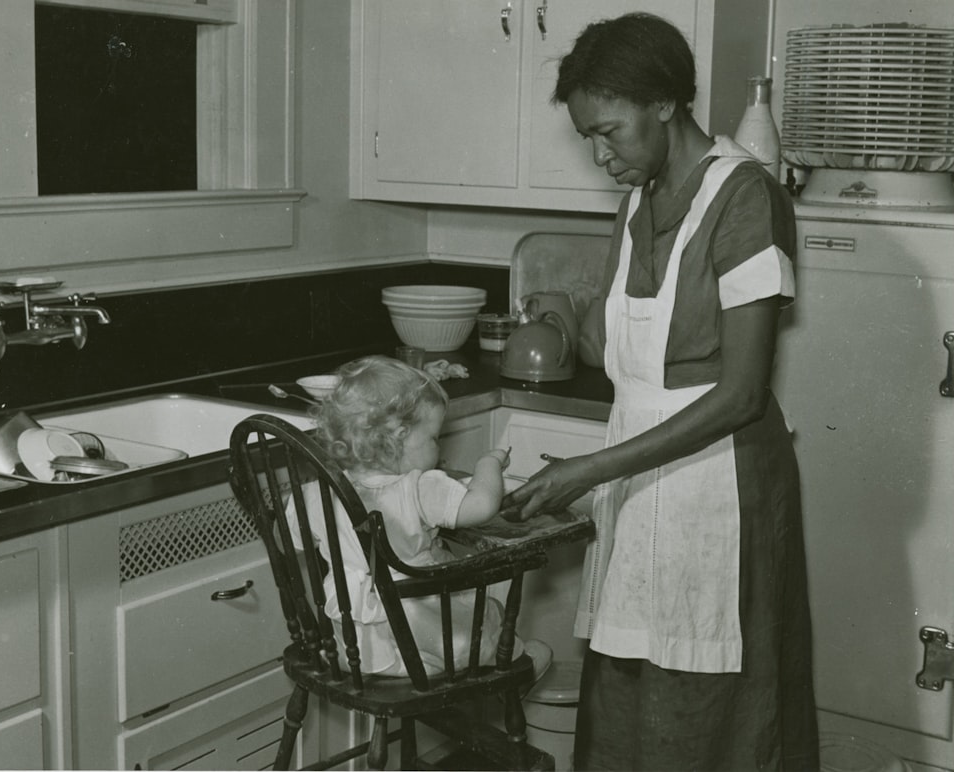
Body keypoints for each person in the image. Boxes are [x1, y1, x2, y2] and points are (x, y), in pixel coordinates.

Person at [501, 12, 820, 771]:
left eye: (609, 131)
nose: (599, 153)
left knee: (712, 697)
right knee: (628, 685)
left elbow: (742, 392)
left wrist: (585, 471)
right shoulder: (638, 199)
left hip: (722, 486)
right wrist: (558, 314)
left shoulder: (746, 198)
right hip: (640, 478)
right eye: (588, 137)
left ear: (666, 105)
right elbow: (630, 356)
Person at [300, 355, 548, 679]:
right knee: (491, 622)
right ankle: (510, 669)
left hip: (356, 650)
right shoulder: (418, 488)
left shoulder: (317, 490)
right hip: (423, 646)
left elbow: (283, 534)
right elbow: (483, 505)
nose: (439, 449)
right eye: (434, 438)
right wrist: (488, 463)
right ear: (400, 436)